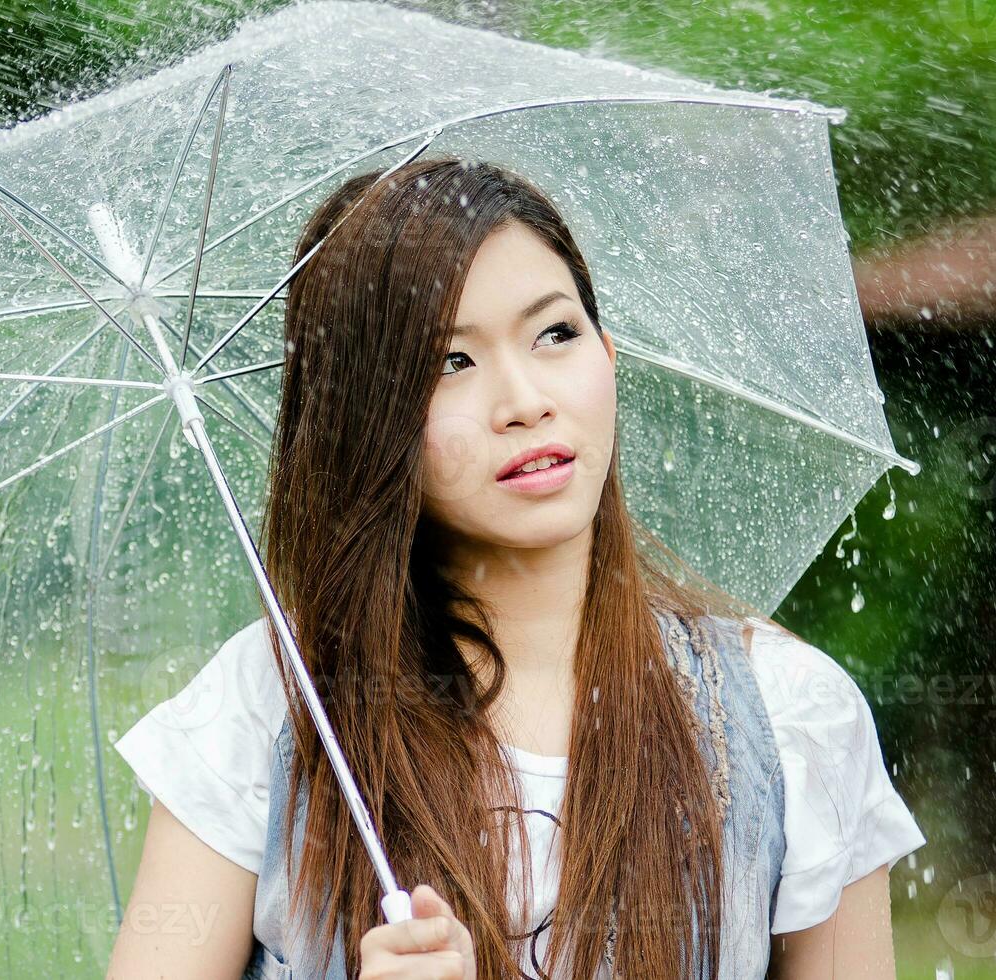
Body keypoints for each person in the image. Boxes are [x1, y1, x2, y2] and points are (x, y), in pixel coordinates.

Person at [105, 157, 925, 979]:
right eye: (449, 362)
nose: (526, 399)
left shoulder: (791, 720)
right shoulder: (271, 713)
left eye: (555, 334)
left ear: (608, 354)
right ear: (369, 419)